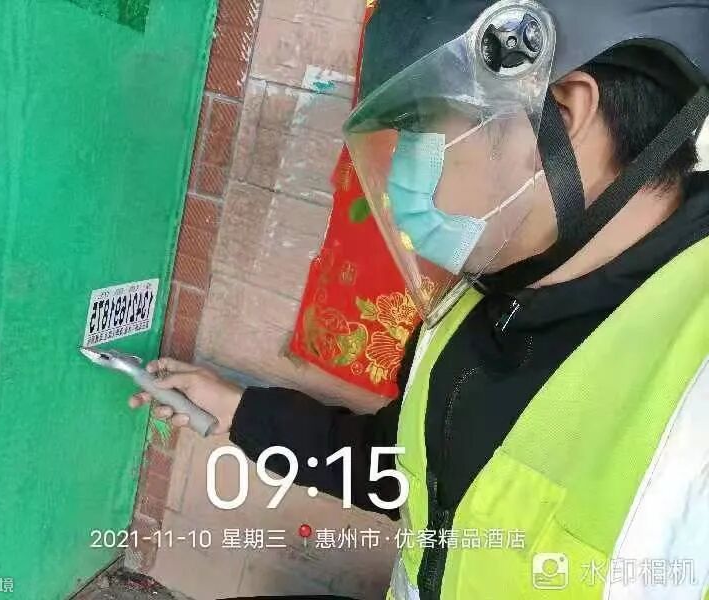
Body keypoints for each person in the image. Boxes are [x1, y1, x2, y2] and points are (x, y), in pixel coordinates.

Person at [131, 1, 709, 598]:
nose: (408, 167)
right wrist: (238, 412)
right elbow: (409, 469)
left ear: (562, 112)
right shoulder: (480, 305)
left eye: (426, 125)